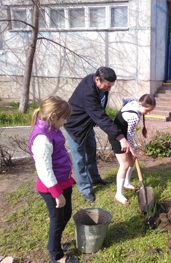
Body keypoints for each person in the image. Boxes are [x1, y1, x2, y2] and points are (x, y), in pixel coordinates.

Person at [64, 67, 133, 203]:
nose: (109, 89)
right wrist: (120, 137)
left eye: (111, 86)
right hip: (75, 127)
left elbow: (98, 113)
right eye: (107, 86)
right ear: (97, 79)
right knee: (80, 159)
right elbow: (100, 117)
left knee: (91, 153)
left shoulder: (98, 83)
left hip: (87, 124)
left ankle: (95, 178)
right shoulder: (88, 93)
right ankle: (85, 189)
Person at [28, 96, 79, 263]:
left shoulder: (52, 129)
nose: (65, 122)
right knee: (57, 221)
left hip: (63, 182)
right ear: (54, 117)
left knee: (66, 215)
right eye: (64, 118)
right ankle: (55, 256)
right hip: (52, 189)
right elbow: (44, 169)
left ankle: (54, 243)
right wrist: (57, 193)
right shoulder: (42, 138)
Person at [108, 94, 156, 205]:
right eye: (147, 110)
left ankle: (127, 184)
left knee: (131, 161)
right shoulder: (133, 116)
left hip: (123, 135)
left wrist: (132, 153)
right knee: (124, 165)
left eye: (150, 111)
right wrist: (133, 150)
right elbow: (130, 135)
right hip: (117, 137)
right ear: (140, 104)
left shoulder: (135, 101)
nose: (148, 113)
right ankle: (118, 195)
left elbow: (125, 99)